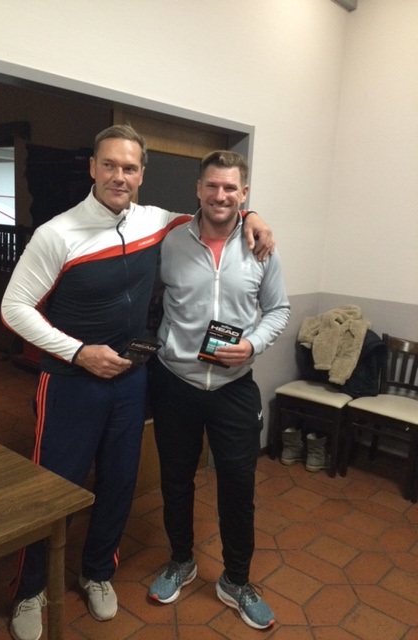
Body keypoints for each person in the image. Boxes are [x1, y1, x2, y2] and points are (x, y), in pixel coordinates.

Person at [0, 124, 274, 640]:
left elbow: (216, 211)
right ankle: (30, 589)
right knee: (52, 488)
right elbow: (13, 308)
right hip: (70, 380)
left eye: (129, 168)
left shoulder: (156, 222)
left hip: (130, 379)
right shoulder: (56, 233)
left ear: (142, 174)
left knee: (119, 482)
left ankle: (97, 571)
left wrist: (253, 214)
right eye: (109, 165)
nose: (119, 176)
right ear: (93, 168)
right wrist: (78, 352)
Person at [148, 150, 290, 630]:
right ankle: (181, 560)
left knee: (238, 487)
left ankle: (236, 581)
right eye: (212, 185)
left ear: (244, 194)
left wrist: (252, 345)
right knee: (175, 480)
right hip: (176, 383)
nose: (220, 195)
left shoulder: (260, 247)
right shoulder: (170, 240)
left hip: (234, 388)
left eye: (230, 188)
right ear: (198, 189)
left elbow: (279, 309)